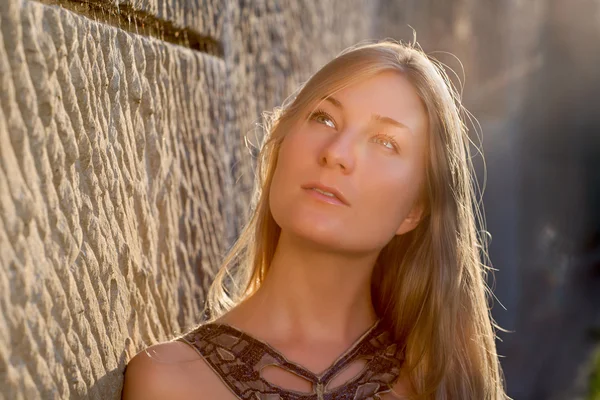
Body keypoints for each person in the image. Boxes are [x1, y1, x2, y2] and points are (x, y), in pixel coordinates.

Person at [121, 39, 508, 399]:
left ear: (414, 210)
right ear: (281, 144)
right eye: (324, 118)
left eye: (385, 142)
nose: (337, 152)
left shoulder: (440, 387)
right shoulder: (167, 381)